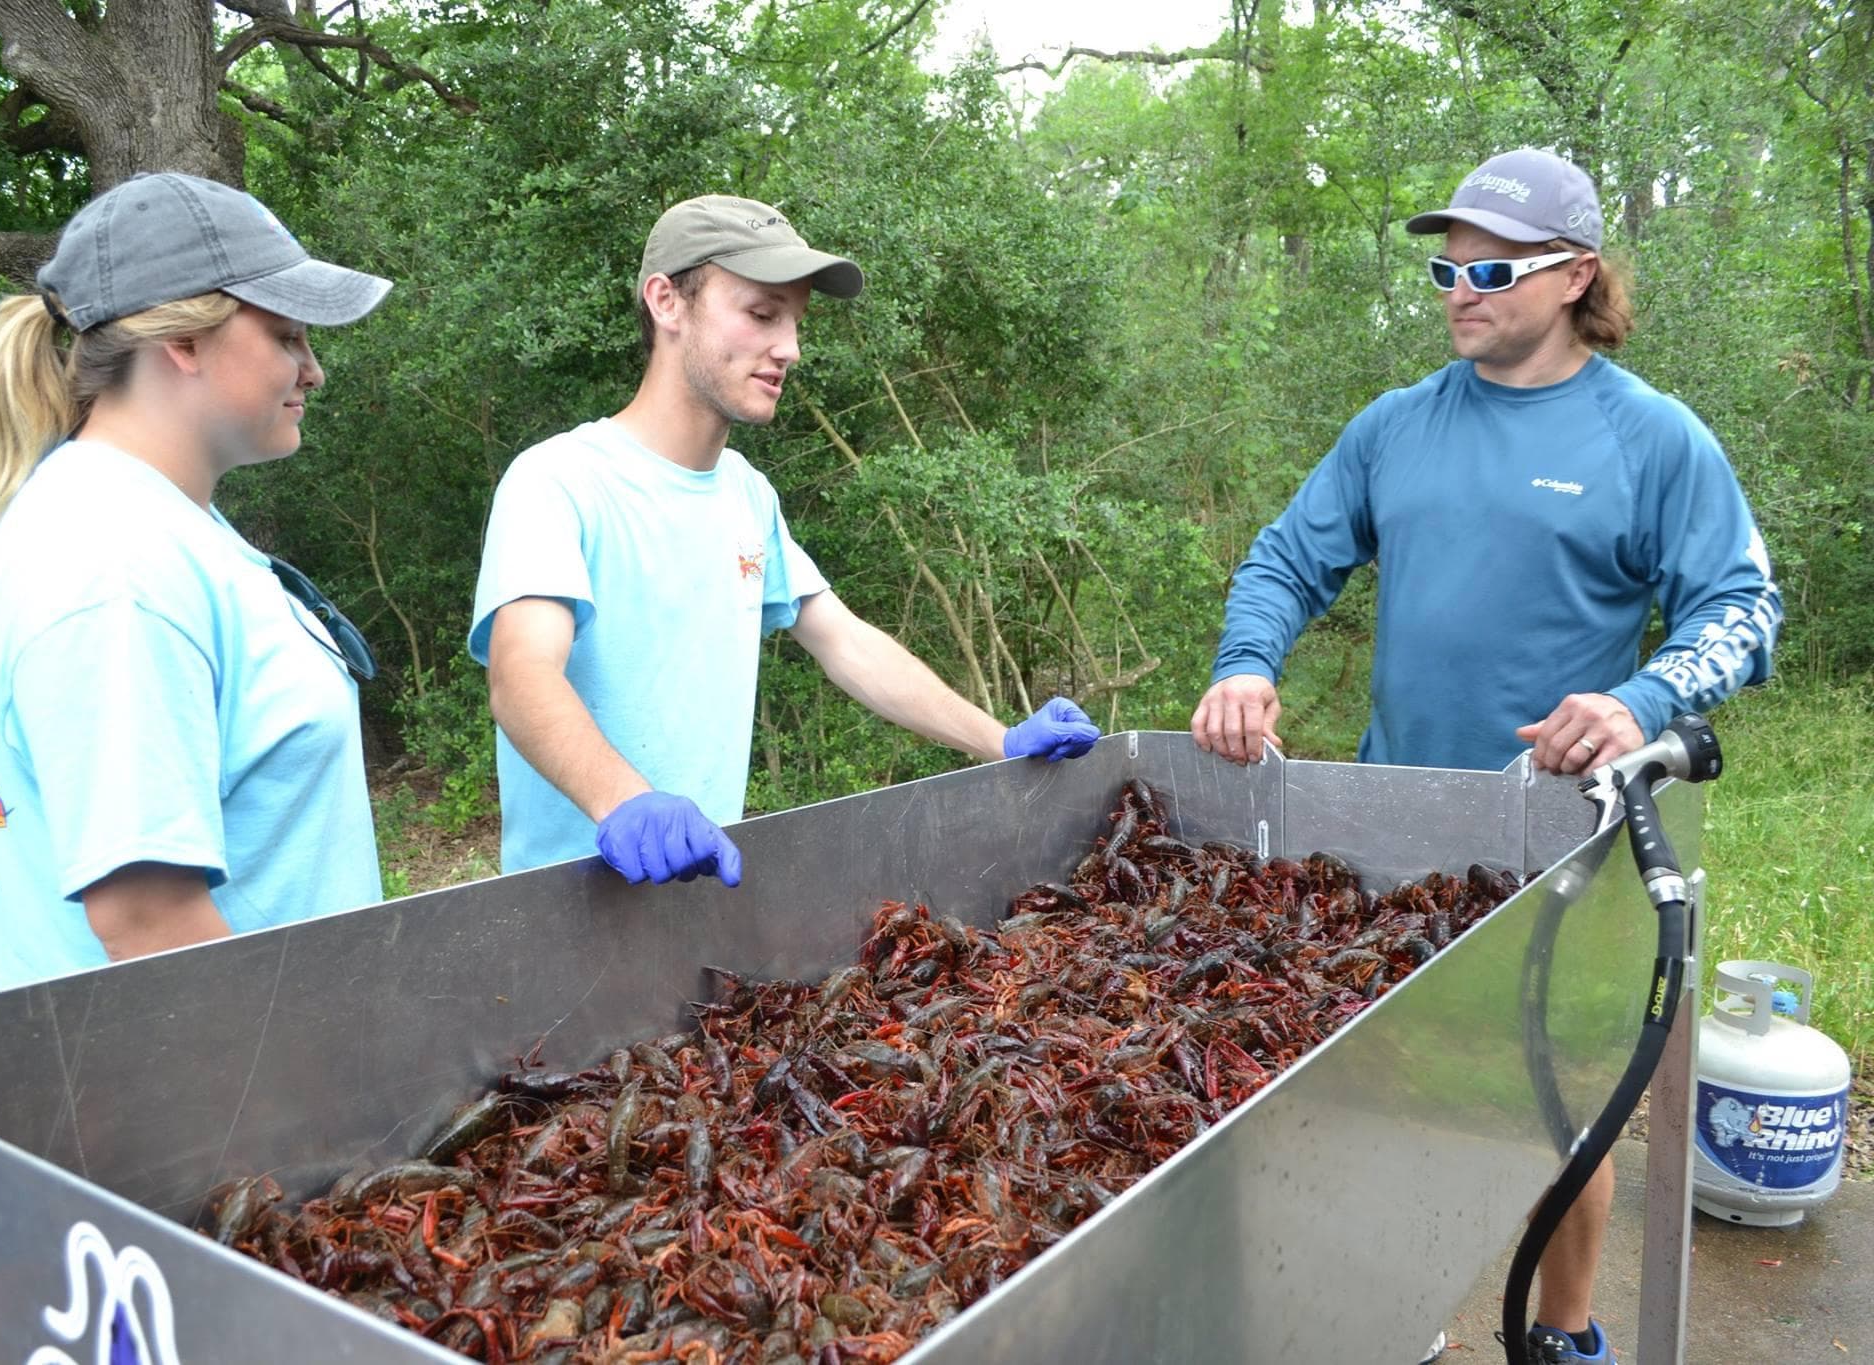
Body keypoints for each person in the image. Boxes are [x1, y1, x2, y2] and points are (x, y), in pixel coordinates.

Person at [1191, 148, 1782, 1364]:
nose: (1460, 289)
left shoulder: (1649, 438)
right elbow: (1281, 562)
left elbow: (1741, 608)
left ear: (1572, 276)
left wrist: (1640, 699)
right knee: (1377, 1097)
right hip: (1391, 837)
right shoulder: (1395, 426)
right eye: (1445, 267)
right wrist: (1246, 661)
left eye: (1492, 268)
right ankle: (1390, 1315)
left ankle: (1558, 1338)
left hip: (1559, 838)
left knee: (1556, 1112)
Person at [470, 194, 1099, 883]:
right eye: (762, 314)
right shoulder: (559, 480)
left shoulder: (746, 494)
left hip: (704, 886)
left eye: (796, 322)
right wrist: (625, 798)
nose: (790, 349)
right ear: (666, 302)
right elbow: (521, 674)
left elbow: (845, 642)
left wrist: (1001, 740)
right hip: (563, 909)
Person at [0, 172, 393, 992]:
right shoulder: (112, 568)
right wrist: (311, 1091)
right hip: (207, 1103)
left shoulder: (159, 527)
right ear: (182, 341)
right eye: (287, 335)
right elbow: (151, 924)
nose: (314, 369)